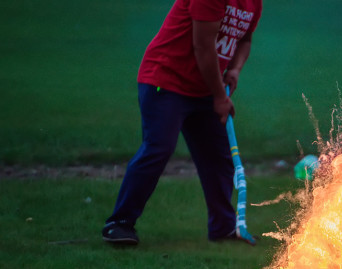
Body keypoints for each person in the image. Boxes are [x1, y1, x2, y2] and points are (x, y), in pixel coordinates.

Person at [102, 0, 262, 245]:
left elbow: (246, 39)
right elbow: (203, 45)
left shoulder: (254, 2)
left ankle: (223, 228)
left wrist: (235, 69)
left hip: (205, 87)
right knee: (159, 148)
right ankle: (119, 223)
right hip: (166, 80)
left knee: (218, 157)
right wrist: (220, 97)